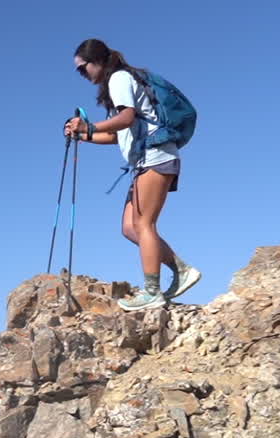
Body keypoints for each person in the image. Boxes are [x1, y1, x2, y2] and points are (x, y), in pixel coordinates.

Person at [64, 38, 200, 311]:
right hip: (146, 159)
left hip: (155, 156)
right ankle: (181, 270)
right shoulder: (119, 83)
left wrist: (88, 125)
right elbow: (118, 134)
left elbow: (126, 118)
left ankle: (153, 292)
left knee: (144, 224)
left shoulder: (119, 79)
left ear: (97, 61)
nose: (82, 74)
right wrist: (86, 135)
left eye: (83, 68)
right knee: (129, 227)